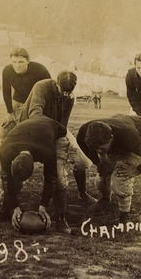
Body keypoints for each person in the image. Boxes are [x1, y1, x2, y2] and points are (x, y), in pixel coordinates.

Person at [14, 70, 97, 204]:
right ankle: (9, 194)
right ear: (56, 83)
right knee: (20, 162)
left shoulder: (70, 97)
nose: (65, 94)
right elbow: (35, 114)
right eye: (62, 91)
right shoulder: (41, 87)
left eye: (68, 92)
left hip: (55, 130)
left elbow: (63, 123)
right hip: (31, 129)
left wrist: (60, 140)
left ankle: (82, 193)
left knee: (82, 161)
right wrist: (49, 137)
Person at [76, 114, 141, 223]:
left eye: (102, 148)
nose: (99, 151)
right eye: (96, 148)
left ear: (111, 138)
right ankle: (105, 199)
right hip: (119, 124)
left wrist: (138, 169)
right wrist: (104, 166)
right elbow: (100, 162)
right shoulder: (82, 136)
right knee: (102, 179)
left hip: (139, 130)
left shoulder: (129, 137)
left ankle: (125, 214)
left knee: (120, 177)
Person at [0, 116, 76, 234]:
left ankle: (61, 217)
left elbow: (51, 178)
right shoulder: (5, 150)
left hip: (56, 131)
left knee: (59, 178)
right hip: (27, 131)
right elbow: (6, 178)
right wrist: (14, 206)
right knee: (8, 179)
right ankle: (7, 209)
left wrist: (43, 205)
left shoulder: (46, 151)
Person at [0, 47, 51, 135]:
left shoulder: (40, 70)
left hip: (35, 102)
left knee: (30, 130)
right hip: (18, 101)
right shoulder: (7, 71)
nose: (17, 65)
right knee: (5, 131)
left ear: (28, 61)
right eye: (14, 62)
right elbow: (6, 92)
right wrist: (9, 112)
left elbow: (50, 90)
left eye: (21, 62)